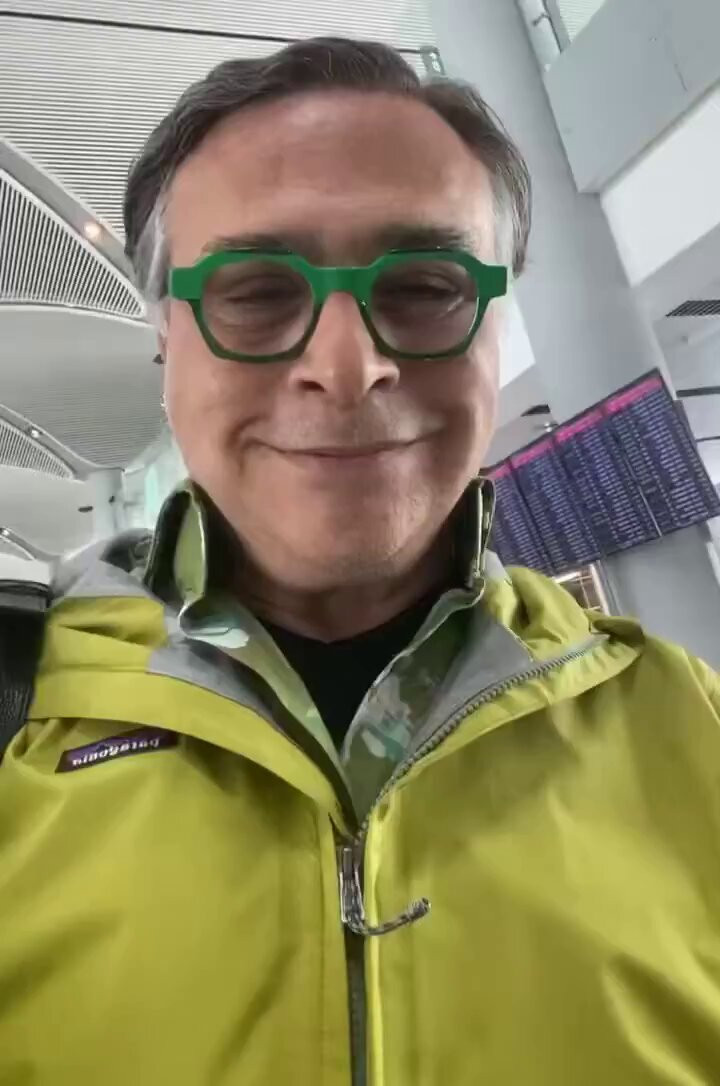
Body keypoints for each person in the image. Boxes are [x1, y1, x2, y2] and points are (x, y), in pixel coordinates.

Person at [2, 35, 720, 1086]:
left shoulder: (693, 737)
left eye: (424, 285)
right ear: (167, 342)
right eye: (256, 291)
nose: (347, 367)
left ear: (496, 324)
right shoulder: (23, 716)